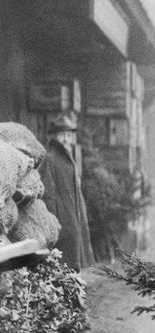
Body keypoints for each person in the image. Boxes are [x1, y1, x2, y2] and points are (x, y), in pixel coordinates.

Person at [39, 114, 94, 271]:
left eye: (69, 135)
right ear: (54, 136)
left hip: (73, 219)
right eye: (62, 134)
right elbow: (48, 194)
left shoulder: (69, 158)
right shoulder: (50, 158)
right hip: (62, 221)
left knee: (72, 268)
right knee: (62, 268)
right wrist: (54, 224)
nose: (66, 139)